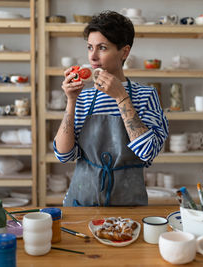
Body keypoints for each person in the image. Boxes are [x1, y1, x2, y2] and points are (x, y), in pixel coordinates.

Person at [53, 11, 169, 207]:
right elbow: (64, 155)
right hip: (82, 203)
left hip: (129, 205)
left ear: (124, 52)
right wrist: (71, 101)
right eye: (90, 47)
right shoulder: (83, 96)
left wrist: (121, 96)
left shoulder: (146, 96)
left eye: (102, 48)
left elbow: (148, 152)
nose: (93, 56)